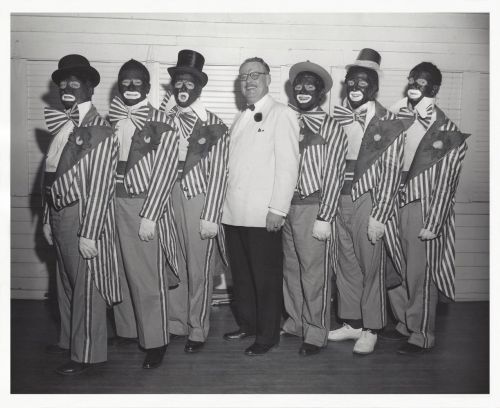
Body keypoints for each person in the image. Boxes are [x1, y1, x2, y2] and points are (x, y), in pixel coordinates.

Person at [384, 62, 469, 354]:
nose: (414, 84)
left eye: (422, 81)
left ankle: (421, 335)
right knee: (394, 267)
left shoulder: (446, 130)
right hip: (391, 200)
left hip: (423, 205)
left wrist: (434, 222)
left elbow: (447, 183)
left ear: (433, 89)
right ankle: (404, 323)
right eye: (412, 78)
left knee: (420, 273)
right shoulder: (396, 115)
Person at [327, 48, 405, 355]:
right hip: (338, 199)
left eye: (364, 82)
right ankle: (353, 322)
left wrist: (380, 215)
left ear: (373, 88)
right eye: (352, 81)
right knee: (346, 264)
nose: (357, 87)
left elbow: (392, 172)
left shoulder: (389, 121)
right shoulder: (336, 116)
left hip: (369, 200)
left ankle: (372, 327)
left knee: (372, 266)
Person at [222, 57, 300, 356]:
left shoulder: (281, 114)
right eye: (243, 76)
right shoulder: (241, 116)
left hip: (262, 213)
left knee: (266, 279)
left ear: (268, 79)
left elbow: (288, 167)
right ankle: (249, 324)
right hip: (234, 212)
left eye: (255, 75)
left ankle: (267, 336)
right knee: (242, 276)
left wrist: (278, 210)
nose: (249, 80)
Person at [48, 54, 120, 375]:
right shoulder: (63, 125)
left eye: (74, 81)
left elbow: (102, 186)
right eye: (62, 81)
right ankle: (69, 341)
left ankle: (88, 354)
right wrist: (45, 218)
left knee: (87, 287)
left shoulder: (100, 129)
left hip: (83, 216)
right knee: (65, 282)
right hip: (58, 214)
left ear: (90, 87)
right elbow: (49, 175)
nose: (67, 86)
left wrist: (89, 232)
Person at [108, 59, 179, 368]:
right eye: (125, 81)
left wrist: (151, 214)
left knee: (147, 276)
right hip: (111, 203)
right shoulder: (111, 119)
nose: (131, 86)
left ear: (148, 87)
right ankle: (127, 330)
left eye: (137, 81)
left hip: (144, 205)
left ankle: (155, 340)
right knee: (120, 270)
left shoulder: (163, 120)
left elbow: (164, 173)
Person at [160, 49, 230, 353]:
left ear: (200, 87)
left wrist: (210, 214)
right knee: (173, 260)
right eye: (178, 83)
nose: (183, 88)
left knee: (197, 267)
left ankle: (197, 328)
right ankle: (176, 322)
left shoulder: (214, 124)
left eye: (189, 84)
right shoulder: (162, 118)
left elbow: (220, 174)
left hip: (197, 197)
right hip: (165, 195)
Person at [281, 61, 347, 356]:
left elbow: (334, 174)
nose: (303, 90)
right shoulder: (285, 121)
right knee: (291, 269)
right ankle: (296, 321)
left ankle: (316, 330)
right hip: (284, 206)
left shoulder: (331, 127)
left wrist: (325, 216)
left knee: (314, 273)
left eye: (311, 86)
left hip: (313, 207)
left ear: (321, 93)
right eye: (299, 85)